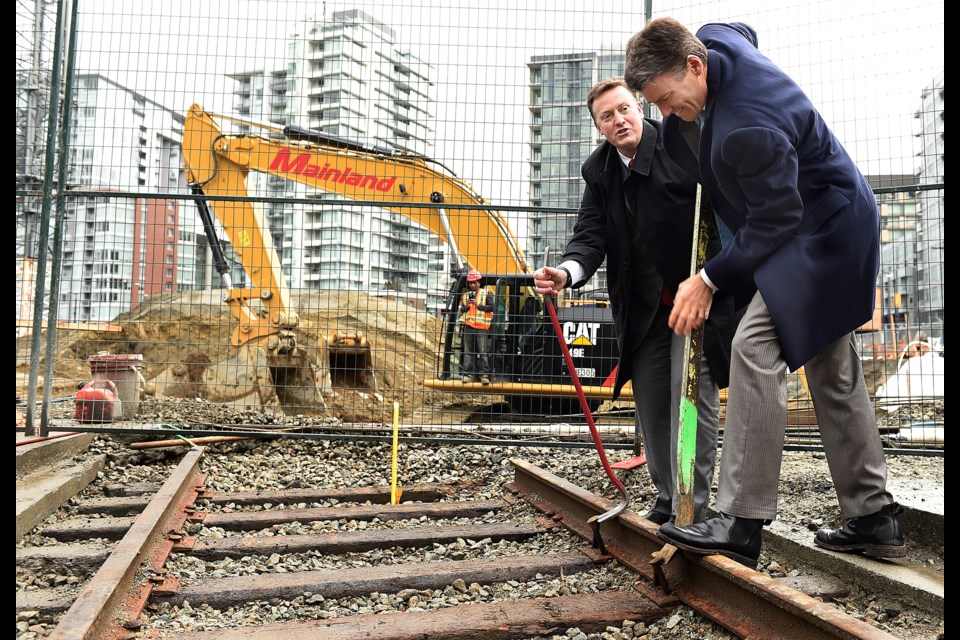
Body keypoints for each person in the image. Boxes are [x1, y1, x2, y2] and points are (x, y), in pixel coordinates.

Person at [624, 18, 905, 567]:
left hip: (822, 234)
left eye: (667, 98)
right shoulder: (716, 39)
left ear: (695, 67)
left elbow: (777, 218)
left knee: (754, 344)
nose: (664, 113)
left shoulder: (742, 128)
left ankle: (742, 520)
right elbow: (742, 29)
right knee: (832, 364)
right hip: (834, 212)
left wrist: (707, 279)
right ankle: (875, 518)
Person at [533, 77, 740, 525]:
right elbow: (589, 236)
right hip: (644, 312)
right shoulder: (600, 171)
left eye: (624, 109)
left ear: (638, 106)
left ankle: (693, 507)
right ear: (599, 127)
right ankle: (668, 497)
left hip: (693, 300)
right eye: (607, 116)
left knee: (692, 402)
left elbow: (720, 210)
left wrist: (713, 278)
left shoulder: (679, 144)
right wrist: (566, 273)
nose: (619, 120)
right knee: (652, 405)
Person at [459, 269, 495, 384]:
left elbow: (492, 307)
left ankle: (484, 376)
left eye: (474, 282)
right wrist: (467, 307)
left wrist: (478, 305)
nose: (472, 285)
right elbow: (462, 310)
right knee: (469, 352)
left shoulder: (486, 293)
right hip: (469, 326)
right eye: (470, 283)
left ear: (479, 282)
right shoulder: (466, 296)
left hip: (482, 327)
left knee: (482, 352)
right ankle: (471, 374)